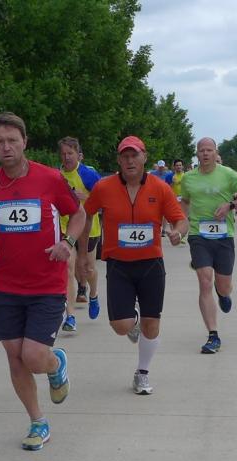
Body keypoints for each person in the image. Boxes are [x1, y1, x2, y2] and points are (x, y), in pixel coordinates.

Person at [0, 112, 85, 451]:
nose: (6, 147)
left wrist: (68, 242)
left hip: (47, 284)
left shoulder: (50, 179)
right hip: (6, 286)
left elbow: (79, 213)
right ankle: (37, 421)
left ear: (24, 142)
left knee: (34, 356)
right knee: (15, 357)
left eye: (12, 140)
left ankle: (55, 363)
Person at [78, 136, 188, 395]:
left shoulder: (160, 188)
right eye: (125, 156)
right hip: (119, 265)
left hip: (151, 265)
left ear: (144, 157)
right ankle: (133, 318)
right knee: (121, 326)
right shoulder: (104, 187)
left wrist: (177, 233)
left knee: (152, 324)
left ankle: (143, 372)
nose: (130, 161)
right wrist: (83, 254)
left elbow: (180, 219)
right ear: (119, 160)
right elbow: (86, 214)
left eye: (134, 155)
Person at [180, 137, 237, 354]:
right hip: (198, 235)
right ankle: (213, 335)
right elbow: (185, 202)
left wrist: (230, 205)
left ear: (216, 152)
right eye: (202, 150)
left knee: (223, 286)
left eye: (209, 150)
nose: (205, 154)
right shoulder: (188, 178)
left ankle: (223, 294)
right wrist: (180, 224)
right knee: (204, 281)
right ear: (197, 153)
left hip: (223, 236)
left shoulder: (229, 175)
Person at [58, 137, 102, 323]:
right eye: (63, 154)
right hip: (65, 228)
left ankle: (93, 295)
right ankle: (70, 316)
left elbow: (104, 200)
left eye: (70, 153)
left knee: (88, 268)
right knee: (68, 268)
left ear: (79, 155)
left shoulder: (88, 175)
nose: (66, 157)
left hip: (89, 228)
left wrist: (86, 197)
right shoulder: (56, 175)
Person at [164, 159, 186, 242]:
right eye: (177, 165)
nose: (178, 167)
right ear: (174, 167)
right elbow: (167, 188)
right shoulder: (170, 176)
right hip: (174, 198)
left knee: (183, 217)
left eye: (180, 165)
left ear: (182, 166)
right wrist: (172, 183)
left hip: (183, 198)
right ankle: (174, 234)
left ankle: (182, 235)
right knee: (174, 218)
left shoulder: (186, 176)